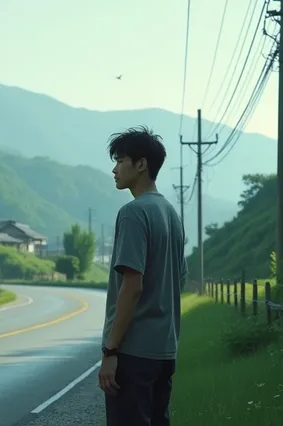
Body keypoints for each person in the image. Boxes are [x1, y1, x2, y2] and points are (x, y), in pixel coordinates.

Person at [98, 126, 188, 426]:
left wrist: (110, 351)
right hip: (164, 352)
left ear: (141, 164)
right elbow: (180, 279)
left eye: (120, 160)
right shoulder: (171, 214)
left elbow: (132, 287)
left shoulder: (134, 213)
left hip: (133, 353)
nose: (114, 169)